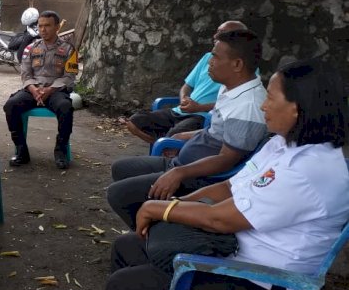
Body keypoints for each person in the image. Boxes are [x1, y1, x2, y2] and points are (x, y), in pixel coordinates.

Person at [103, 58, 349, 290]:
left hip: (261, 289)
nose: (263, 106)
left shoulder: (309, 170)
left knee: (124, 286)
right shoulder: (283, 144)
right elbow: (229, 186)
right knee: (127, 246)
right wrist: (178, 203)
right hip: (232, 256)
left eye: (270, 98)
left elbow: (219, 219)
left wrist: (157, 208)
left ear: (297, 108)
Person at [107, 29, 267, 230]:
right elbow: (216, 133)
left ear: (237, 64)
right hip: (184, 164)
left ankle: (153, 236)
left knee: (118, 194)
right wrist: (186, 136)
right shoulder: (231, 89)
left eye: (215, 57)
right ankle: (149, 226)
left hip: (199, 179)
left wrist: (180, 173)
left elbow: (227, 159)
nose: (210, 61)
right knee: (121, 168)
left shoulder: (248, 105)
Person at [124, 20, 248, 144]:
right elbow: (187, 85)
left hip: (201, 116)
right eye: (217, 32)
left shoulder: (242, 69)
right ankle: (161, 147)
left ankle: (166, 148)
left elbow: (233, 103)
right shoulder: (207, 57)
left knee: (173, 137)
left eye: (222, 33)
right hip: (180, 111)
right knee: (135, 121)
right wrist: (184, 99)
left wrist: (199, 107)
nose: (215, 36)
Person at [3, 10, 78, 169]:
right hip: (33, 90)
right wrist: (33, 89)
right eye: (40, 26)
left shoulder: (69, 49)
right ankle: (21, 150)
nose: (43, 30)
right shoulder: (30, 48)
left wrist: (49, 90)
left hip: (56, 91)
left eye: (47, 26)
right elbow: (25, 74)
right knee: (11, 105)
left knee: (65, 107)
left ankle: (61, 150)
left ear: (57, 27)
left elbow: (69, 76)